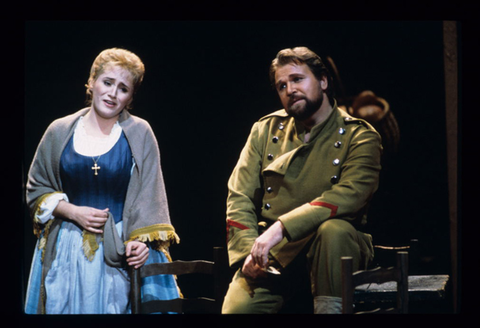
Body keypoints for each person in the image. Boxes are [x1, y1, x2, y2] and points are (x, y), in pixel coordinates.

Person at [222, 47, 382, 314]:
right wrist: (248, 252)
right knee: (237, 311)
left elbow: (349, 195)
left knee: (334, 230)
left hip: (332, 252)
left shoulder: (360, 136)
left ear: (323, 81)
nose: (289, 89)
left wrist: (280, 228)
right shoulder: (265, 130)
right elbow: (239, 196)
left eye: (297, 79)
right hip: (271, 256)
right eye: (281, 85)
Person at [24, 48, 180, 314]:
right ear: (92, 81)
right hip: (67, 249)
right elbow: (36, 189)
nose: (112, 93)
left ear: (130, 97)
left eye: (123, 89)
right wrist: (72, 211)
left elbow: (150, 194)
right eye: (107, 83)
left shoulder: (139, 133)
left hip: (118, 250)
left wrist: (140, 243)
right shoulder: (59, 130)